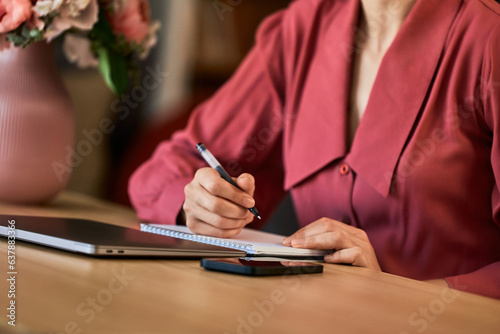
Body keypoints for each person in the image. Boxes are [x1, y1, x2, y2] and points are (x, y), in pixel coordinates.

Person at [129, 0, 500, 299]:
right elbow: (166, 169)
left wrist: (408, 296)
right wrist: (195, 204)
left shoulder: (488, 39)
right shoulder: (302, 29)